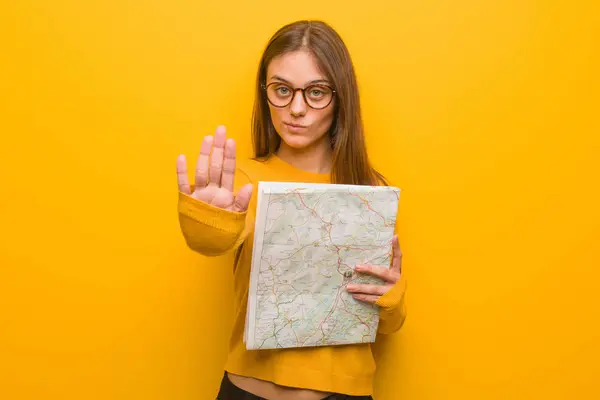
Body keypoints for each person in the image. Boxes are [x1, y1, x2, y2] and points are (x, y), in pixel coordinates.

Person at [176, 20, 407, 400]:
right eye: (282, 90)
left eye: (315, 92)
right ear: (265, 92)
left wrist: (392, 294)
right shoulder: (244, 179)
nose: (296, 108)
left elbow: (389, 322)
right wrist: (209, 218)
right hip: (245, 391)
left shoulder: (371, 192)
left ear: (340, 97)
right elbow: (211, 241)